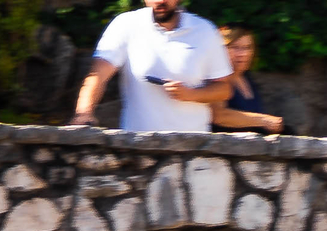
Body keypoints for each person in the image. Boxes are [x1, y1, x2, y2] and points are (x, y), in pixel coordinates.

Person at [71, 0, 234, 134]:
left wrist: (191, 94)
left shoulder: (205, 30)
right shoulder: (126, 25)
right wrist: (84, 113)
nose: (160, 1)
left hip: (193, 147)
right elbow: (98, 75)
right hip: (139, 146)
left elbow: (223, 89)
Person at [209, 25, 283, 132]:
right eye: (235, 47)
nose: (243, 54)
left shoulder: (247, 78)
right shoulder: (217, 79)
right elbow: (218, 116)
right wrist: (264, 120)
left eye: (247, 48)